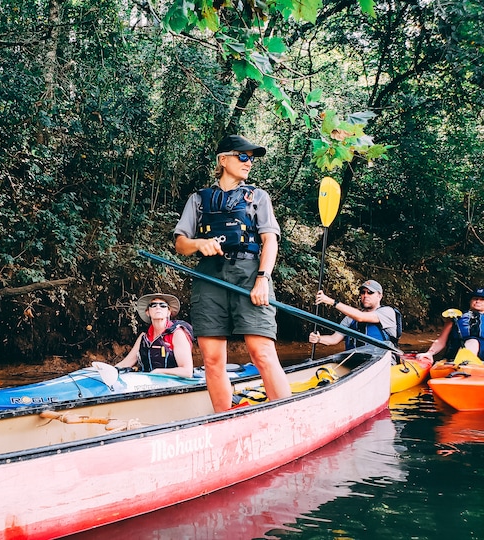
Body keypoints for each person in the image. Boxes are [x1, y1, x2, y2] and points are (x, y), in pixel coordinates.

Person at [173, 134, 291, 412]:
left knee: (261, 352)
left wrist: (263, 279)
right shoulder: (199, 199)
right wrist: (198, 243)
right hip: (210, 277)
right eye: (243, 156)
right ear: (223, 159)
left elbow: (270, 241)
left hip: (250, 274)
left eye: (251, 158)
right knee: (213, 359)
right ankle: (224, 418)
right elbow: (181, 244)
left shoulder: (258, 197)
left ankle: (286, 416)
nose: (248, 162)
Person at [115, 293, 194, 378]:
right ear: (147, 312)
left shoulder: (177, 334)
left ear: (168, 312)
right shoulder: (143, 337)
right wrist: (107, 370)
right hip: (149, 384)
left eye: (163, 305)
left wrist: (159, 371)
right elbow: (125, 363)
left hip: (174, 384)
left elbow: (187, 371)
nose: (158, 307)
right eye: (153, 305)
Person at [308, 279, 399, 349]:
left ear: (379, 296)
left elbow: (361, 317)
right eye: (363, 292)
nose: (365, 295)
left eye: (370, 292)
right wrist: (319, 339)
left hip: (383, 362)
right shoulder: (350, 318)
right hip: (356, 361)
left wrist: (332, 302)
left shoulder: (387, 312)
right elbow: (334, 339)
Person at [416, 287, 484, 362]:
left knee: (473, 342)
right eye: (475, 298)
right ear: (470, 301)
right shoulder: (455, 317)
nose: (478, 301)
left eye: (482, 299)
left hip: (481, 354)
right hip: (455, 353)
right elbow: (441, 340)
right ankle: (464, 364)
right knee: (472, 342)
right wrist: (430, 353)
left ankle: (467, 363)